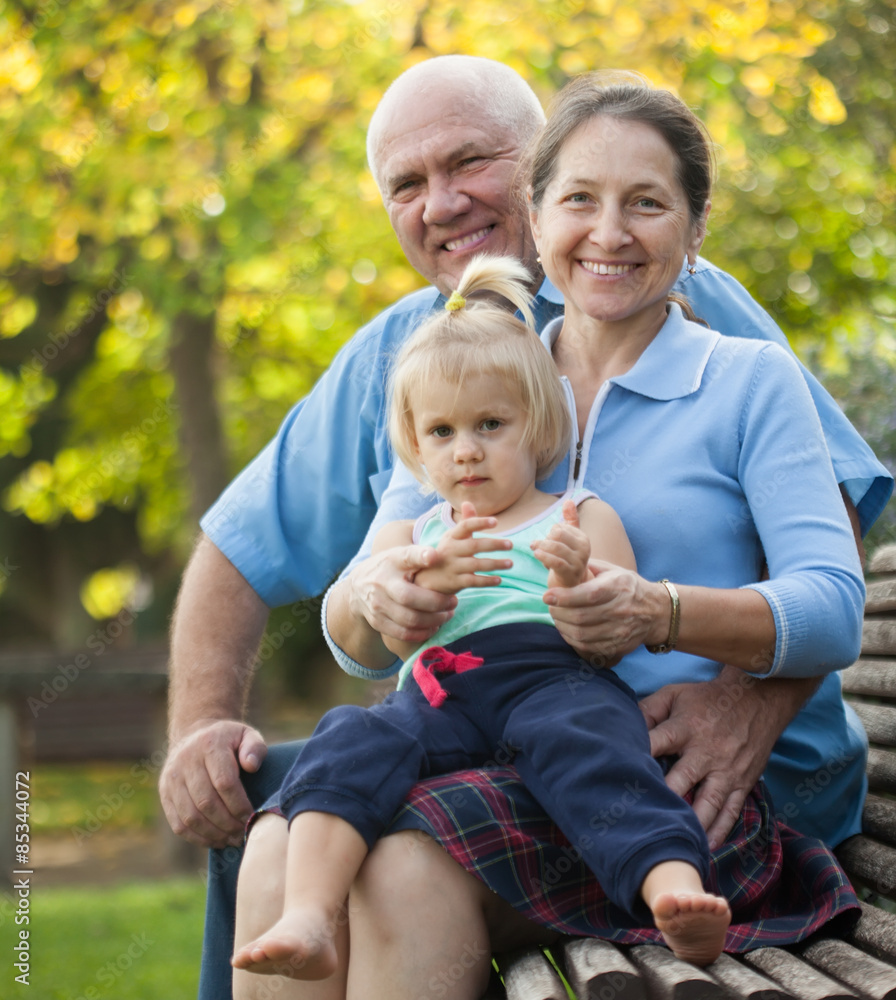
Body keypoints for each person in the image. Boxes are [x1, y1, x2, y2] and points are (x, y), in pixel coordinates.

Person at [157, 57, 890, 998]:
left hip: (670, 775)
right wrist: (377, 598)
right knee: (276, 838)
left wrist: (681, 635)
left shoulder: (733, 358)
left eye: (646, 204)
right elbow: (349, 598)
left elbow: (827, 579)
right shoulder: (478, 381)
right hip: (498, 744)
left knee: (400, 866)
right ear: (540, 217)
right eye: (579, 200)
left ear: (695, 225)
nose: (609, 233)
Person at [231, 255, 747, 990]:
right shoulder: (415, 534)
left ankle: (672, 888)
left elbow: (615, 632)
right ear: (417, 447)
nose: (466, 448)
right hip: (441, 690)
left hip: (553, 681)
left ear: (538, 427)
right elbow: (394, 639)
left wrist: (573, 577)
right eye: (441, 431)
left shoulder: (576, 513)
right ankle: (309, 914)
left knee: (595, 748)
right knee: (348, 736)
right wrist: (423, 592)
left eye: (490, 424)